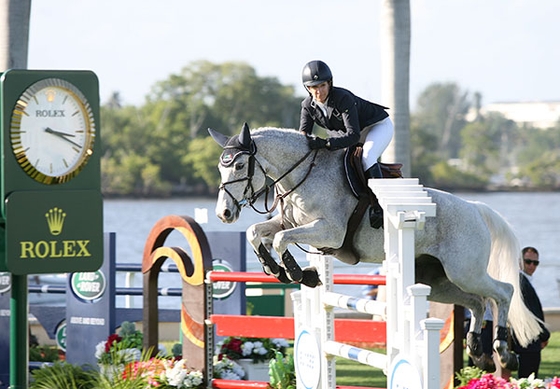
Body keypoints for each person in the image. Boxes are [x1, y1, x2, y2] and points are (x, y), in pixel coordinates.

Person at [298, 60, 394, 227]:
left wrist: (326, 143)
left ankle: (379, 206)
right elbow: (302, 136)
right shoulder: (307, 106)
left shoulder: (343, 98)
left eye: (322, 85)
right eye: (314, 87)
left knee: (367, 156)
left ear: (329, 83)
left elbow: (353, 136)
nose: (319, 91)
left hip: (376, 127)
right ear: (308, 88)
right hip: (348, 134)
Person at [512, 246, 550, 378]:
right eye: (528, 261)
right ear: (519, 261)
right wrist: (544, 335)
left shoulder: (523, 281)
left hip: (529, 339)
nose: (532, 266)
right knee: (529, 378)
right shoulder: (521, 282)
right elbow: (531, 312)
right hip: (527, 339)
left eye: (535, 263)